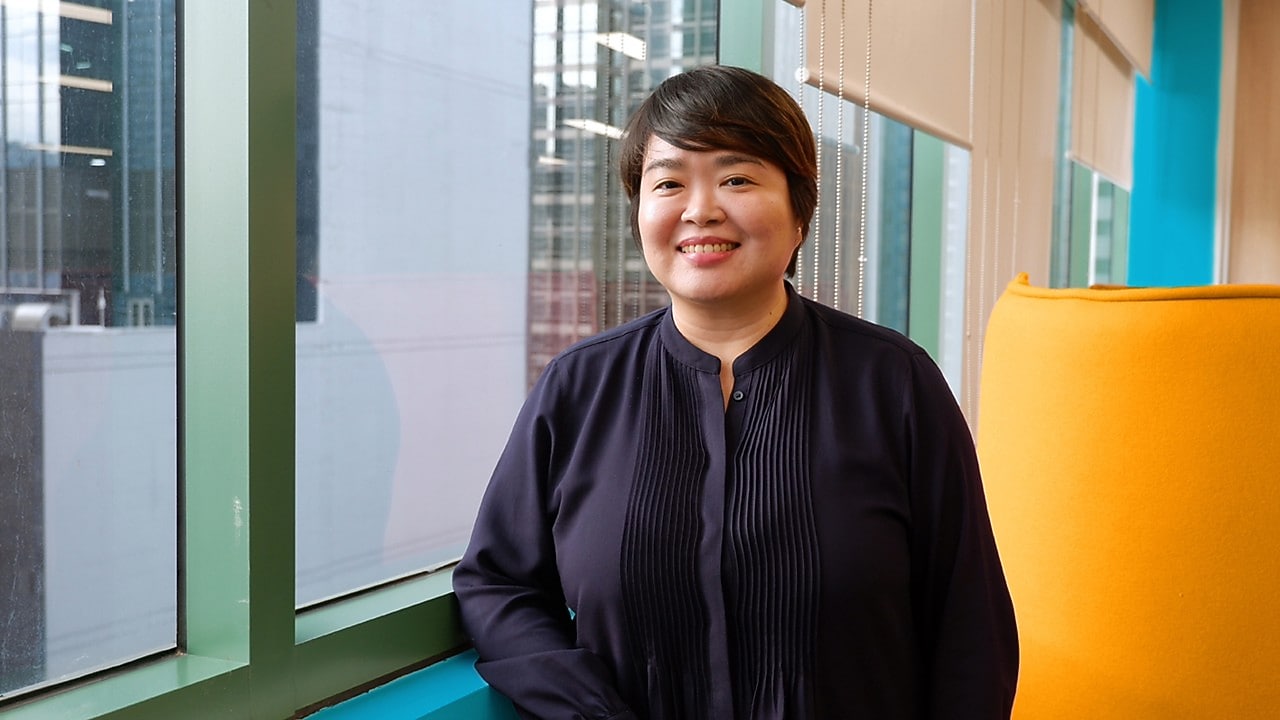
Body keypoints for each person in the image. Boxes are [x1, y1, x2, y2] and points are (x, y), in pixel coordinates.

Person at [453, 65, 1018, 719]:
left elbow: (970, 624)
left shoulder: (895, 383)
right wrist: (587, 709)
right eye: (668, 183)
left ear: (800, 212)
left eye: (737, 179)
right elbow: (497, 583)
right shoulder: (578, 388)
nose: (700, 209)